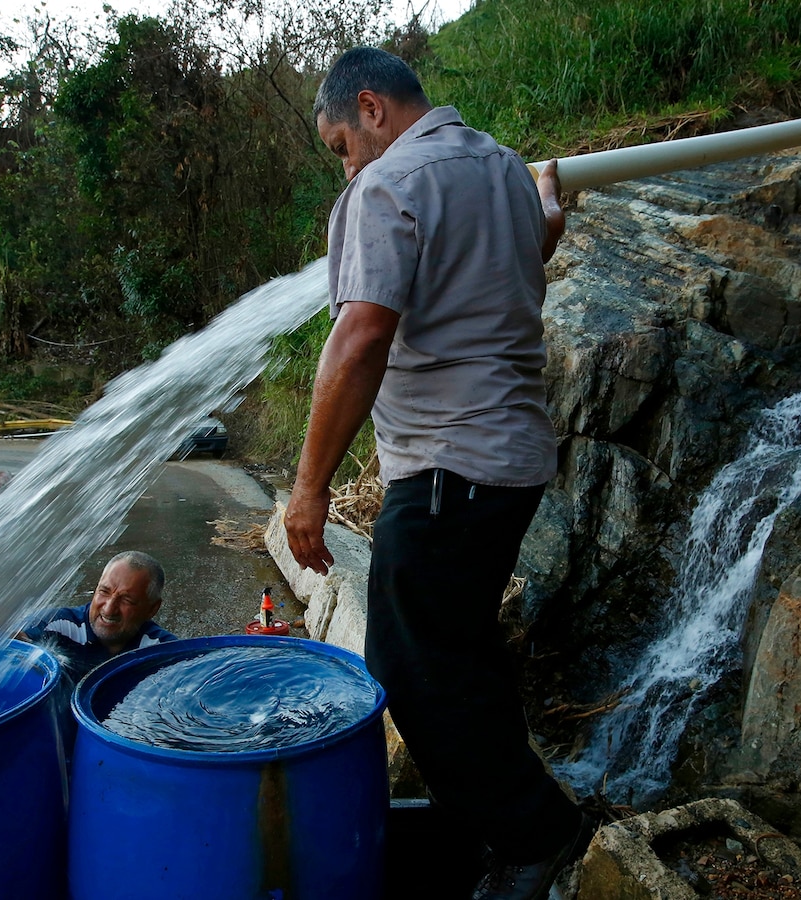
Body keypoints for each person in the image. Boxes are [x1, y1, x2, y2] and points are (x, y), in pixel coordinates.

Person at [283, 46, 586, 900]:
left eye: (341, 144)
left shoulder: (386, 187)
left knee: (411, 669)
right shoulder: (500, 168)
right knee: (463, 654)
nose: (346, 164)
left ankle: (539, 836)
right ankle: (495, 825)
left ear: (371, 109)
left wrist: (310, 488)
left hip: (451, 465)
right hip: (513, 462)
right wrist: (549, 218)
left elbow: (361, 338)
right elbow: (518, 260)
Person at [19, 549, 177, 684]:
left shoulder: (162, 649)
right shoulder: (56, 624)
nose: (109, 609)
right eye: (104, 591)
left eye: (126, 600)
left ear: (152, 609)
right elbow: (14, 640)